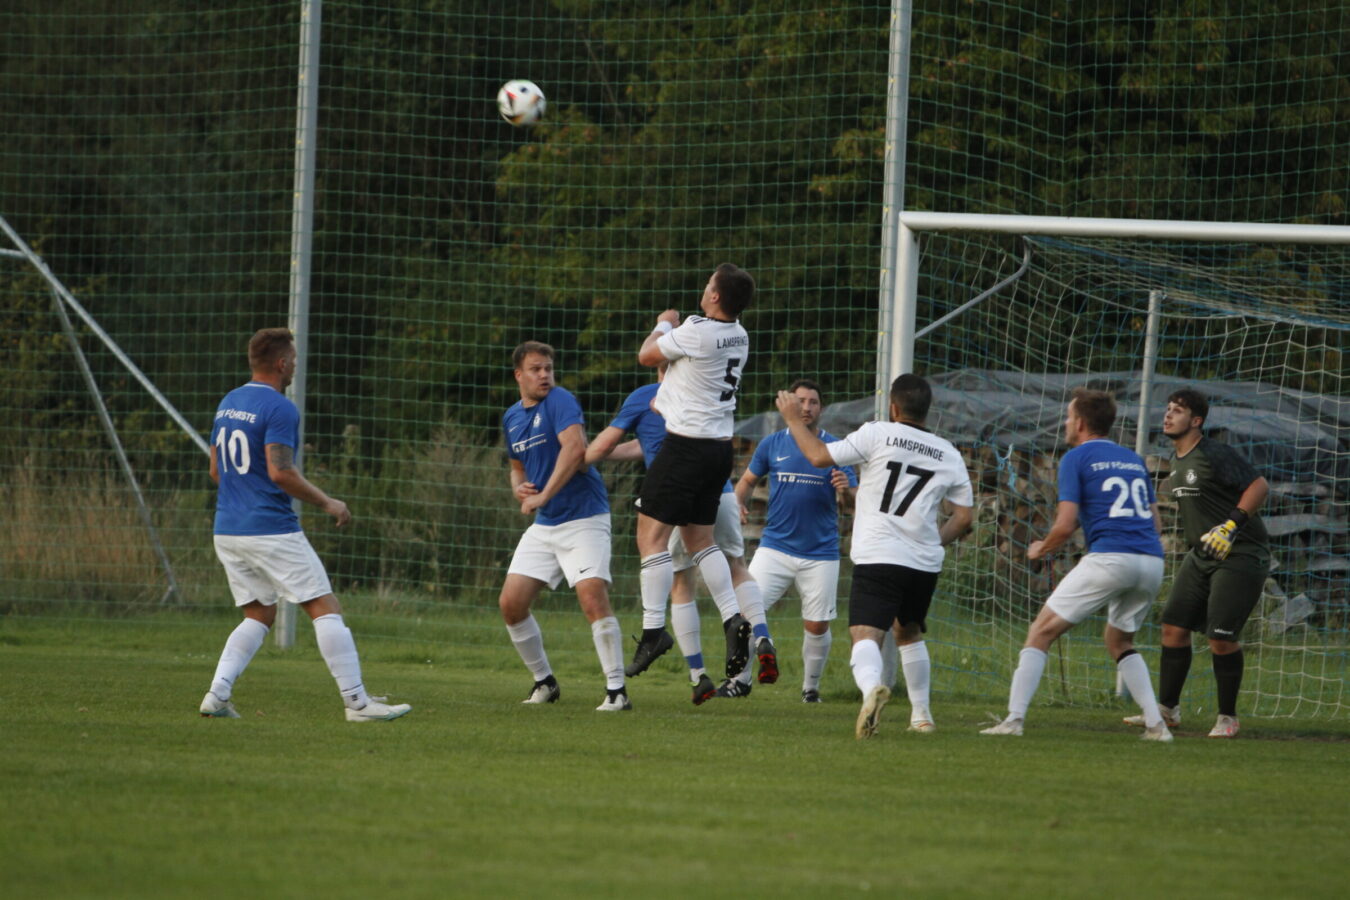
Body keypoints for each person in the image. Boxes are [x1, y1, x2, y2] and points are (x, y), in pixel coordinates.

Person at [200, 327, 410, 722]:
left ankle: (217, 694)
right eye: (294, 359)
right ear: (282, 363)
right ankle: (358, 704)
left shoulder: (229, 401)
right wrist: (328, 502)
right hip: (269, 528)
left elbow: (216, 470)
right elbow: (280, 471)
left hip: (227, 528)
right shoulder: (280, 407)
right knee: (324, 606)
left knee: (259, 614)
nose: (296, 365)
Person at [776, 373, 973, 738]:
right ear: (927, 410)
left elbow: (818, 455)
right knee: (909, 633)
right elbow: (963, 518)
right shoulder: (949, 453)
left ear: (894, 407)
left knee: (865, 634)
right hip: (923, 562)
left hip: (879, 554)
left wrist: (792, 419)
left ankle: (871, 691)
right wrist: (935, 542)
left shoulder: (877, 433)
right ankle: (922, 716)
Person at [980, 388, 1172, 740]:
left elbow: (1065, 525)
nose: (1066, 424)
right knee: (1119, 640)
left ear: (1081, 423)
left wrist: (1041, 548)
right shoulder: (1133, 460)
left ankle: (1013, 721)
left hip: (1111, 558)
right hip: (1150, 562)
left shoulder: (1075, 458)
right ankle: (1157, 726)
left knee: (1040, 632)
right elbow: (1156, 524)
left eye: (1069, 417)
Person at [586, 370, 775, 704]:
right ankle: (756, 633)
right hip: (720, 483)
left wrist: (577, 458)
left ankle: (694, 671)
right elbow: (643, 443)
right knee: (733, 562)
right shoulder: (710, 386)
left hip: (676, 482)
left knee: (675, 574)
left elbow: (607, 443)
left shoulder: (649, 393)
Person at [628, 263, 760, 702]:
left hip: (685, 447)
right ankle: (733, 619)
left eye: (708, 285)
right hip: (718, 449)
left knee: (649, 537)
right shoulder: (739, 334)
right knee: (701, 539)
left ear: (716, 296)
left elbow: (647, 356)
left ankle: (653, 631)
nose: (703, 289)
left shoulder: (696, 332)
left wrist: (663, 323)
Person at [1123, 388, 1270, 738]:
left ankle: (1227, 718)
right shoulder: (1175, 460)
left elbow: (1259, 486)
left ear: (1196, 421)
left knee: (1220, 637)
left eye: (1177, 410)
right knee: (1173, 628)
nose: (1168, 415)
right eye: (1168, 409)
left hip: (1240, 554)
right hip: (1201, 555)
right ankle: (1167, 710)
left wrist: (1231, 526)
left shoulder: (1214, 453)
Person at [499, 341, 630, 712]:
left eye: (548, 368)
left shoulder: (560, 400)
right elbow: (516, 468)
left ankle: (617, 691)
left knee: (591, 595)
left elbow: (574, 450)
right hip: (546, 525)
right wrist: (519, 488)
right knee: (511, 605)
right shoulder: (511, 417)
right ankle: (545, 682)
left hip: (585, 517)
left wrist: (543, 496)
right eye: (536, 369)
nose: (544, 375)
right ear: (519, 375)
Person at [734, 378, 857, 703]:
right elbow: (747, 481)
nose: (806, 407)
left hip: (821, 552)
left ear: (821, 409)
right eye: (800, 401)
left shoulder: (836, 449)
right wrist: (738, 503)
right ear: (789, 404)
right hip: (775, 547)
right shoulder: (772, 444)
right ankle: (739, 681)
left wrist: (847, 490)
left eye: (813, 402)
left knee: (817, 626)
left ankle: (810, 689)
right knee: (746, 612)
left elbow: (856, 500)